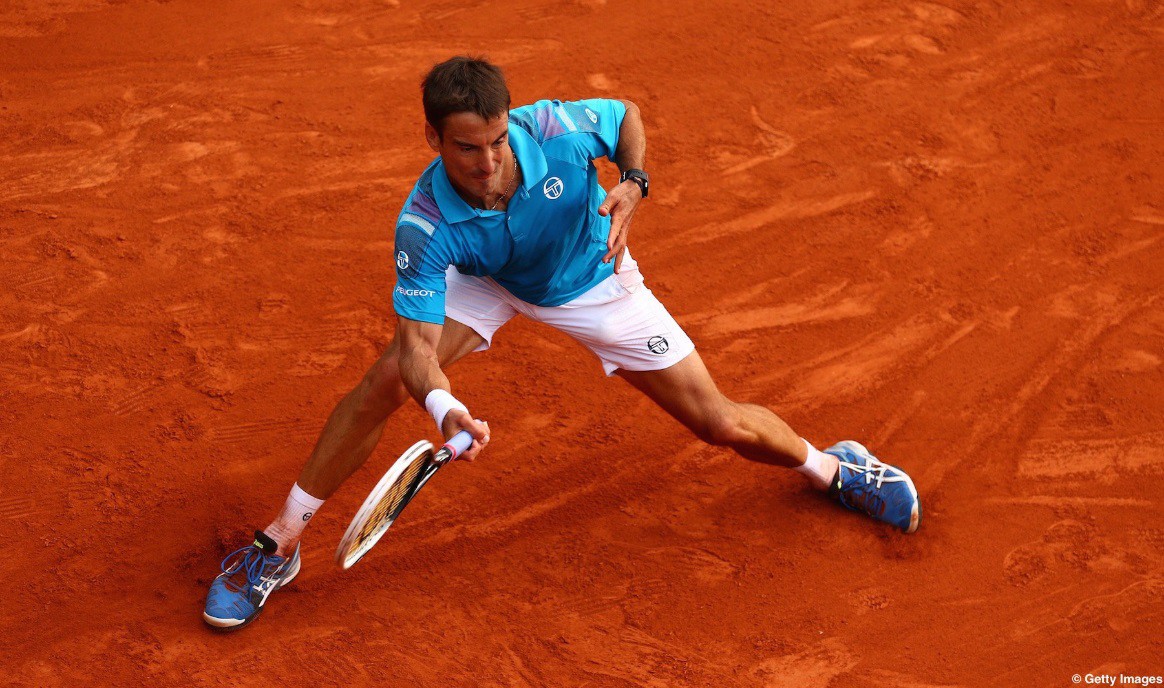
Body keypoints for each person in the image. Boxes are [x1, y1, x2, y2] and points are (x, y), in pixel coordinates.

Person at [202, 56, 921, 631]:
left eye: (493, 142)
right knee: (386, 380)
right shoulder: (423, 223)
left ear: (508, 120)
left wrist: (634, 183)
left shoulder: (553, 129)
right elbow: (419, 346)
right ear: (432, 140)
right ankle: (279, 543)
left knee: (718, 423)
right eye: (464, 149)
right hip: (489, 277)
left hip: (590, 277)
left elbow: (627, 118)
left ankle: (835, 468)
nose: (486, 163)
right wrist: (446, 408)